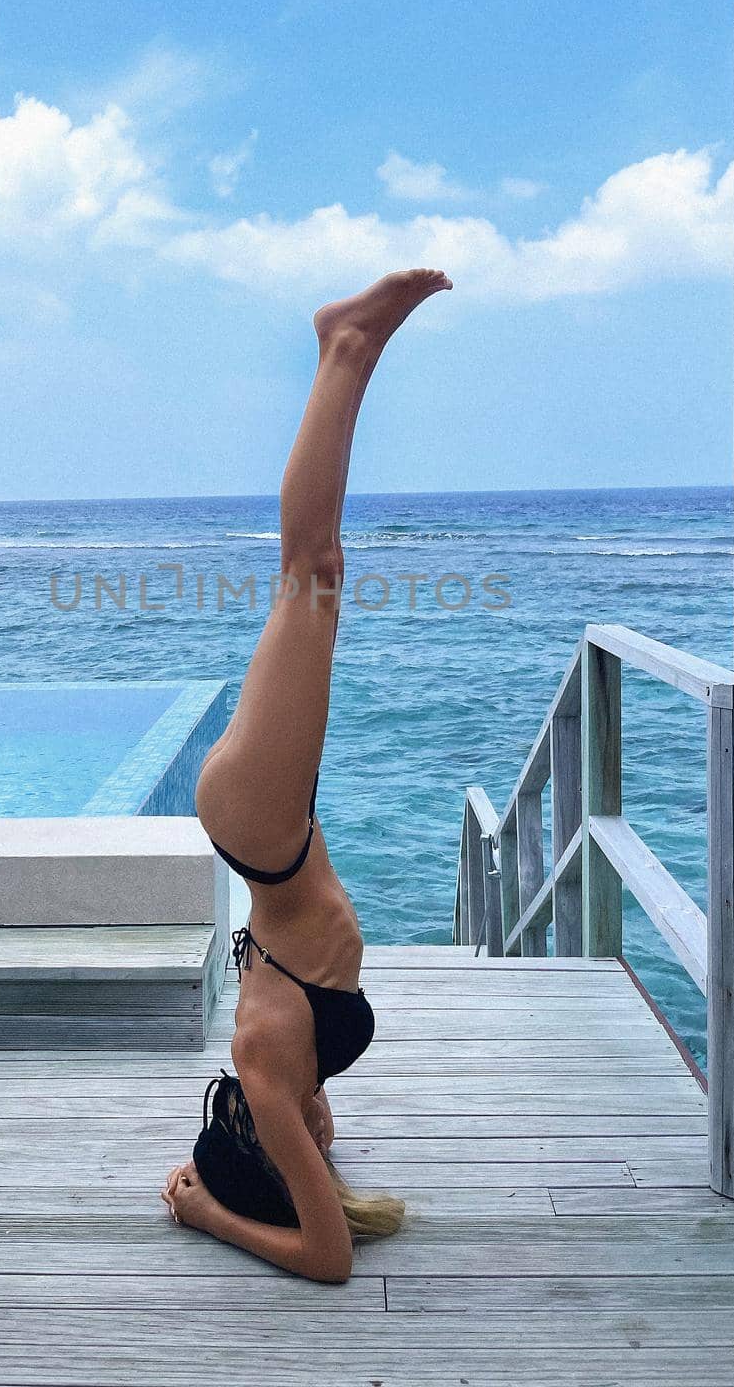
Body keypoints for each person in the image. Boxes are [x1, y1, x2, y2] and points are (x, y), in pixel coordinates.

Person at [160, 268, 453, 1282]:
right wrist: (245, 1192)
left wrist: (212, 1214)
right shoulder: (279, 1086)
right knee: (314, 574)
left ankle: (344, 347)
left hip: (264, 832)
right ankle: (346, 351)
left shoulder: (262, 1068)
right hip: (268, 834)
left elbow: (324, 1256)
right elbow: (325, 1238)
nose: (315, 1140)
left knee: (312, 570)